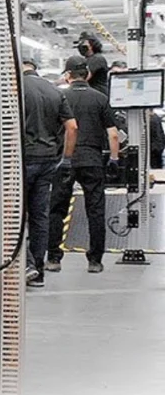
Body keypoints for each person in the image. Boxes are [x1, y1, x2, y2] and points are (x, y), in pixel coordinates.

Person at [46, 56, 120, 274]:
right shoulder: (100, 98)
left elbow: (53, 130)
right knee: (95, 210)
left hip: (65, 160)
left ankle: (54, 258)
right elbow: (113, 134)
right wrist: (114, 159)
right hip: (92, 160)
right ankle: (95, 261)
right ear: (87, 74)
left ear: (68, 75)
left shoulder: (60, 96)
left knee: (56, 209)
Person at [20, 58, 77, 288]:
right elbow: (72, 126)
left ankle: (27, 266)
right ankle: (38, 271)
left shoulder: (15, 88)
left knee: (13, 216)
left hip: (22, 160)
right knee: (39, 216)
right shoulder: (54, 90)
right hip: (48, 161)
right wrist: (66, 159)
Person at [76, 31, 109, 96]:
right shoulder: (86, 59)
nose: (81, 46)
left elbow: (84, 77)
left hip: (98, 95)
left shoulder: (97, 58)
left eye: (83, 43)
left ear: (92, 44)